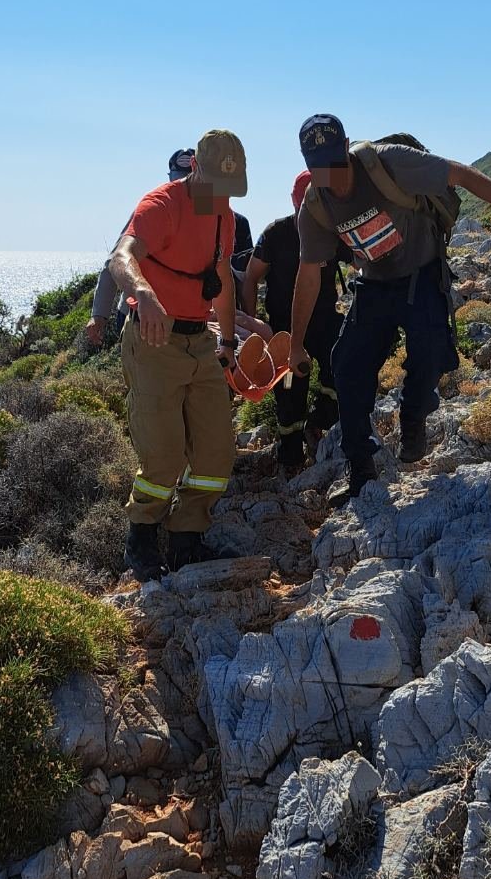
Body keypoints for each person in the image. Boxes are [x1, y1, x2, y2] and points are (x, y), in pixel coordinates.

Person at [289, 113, 491, 501]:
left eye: (335, 160)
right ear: (307, 166)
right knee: (347, 364)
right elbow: (309, 274)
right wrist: (296, 343)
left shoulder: (388, 162)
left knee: (430, 354)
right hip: (374, 285)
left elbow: (460, 175)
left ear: (347, 146)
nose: (330, 174)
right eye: (319, 167)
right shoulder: (316, 206)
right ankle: (361, 470)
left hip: (421, 272)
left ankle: (413, 417)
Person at [109, 130, 248, 579]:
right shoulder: (162, 205)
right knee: (163, 454)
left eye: (230, 190)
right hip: (154, 342)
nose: (221, 198)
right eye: (215, 187)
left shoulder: (224, 215)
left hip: (200, 342)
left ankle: (188, 540)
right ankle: (143, 539)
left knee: (215, 450)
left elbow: (222, 279)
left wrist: (228, 343)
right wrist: (143, 292)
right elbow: (121, 256)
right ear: (195, 172)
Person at [86, 148, 253, 347]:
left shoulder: (226, 219)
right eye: (177, 180)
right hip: (145, 315)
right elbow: (117, 259)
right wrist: (100, 314)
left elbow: (229, 276)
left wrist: (232, 328)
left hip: (194, 317)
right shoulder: (158, 209)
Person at [242, 170, 341, 470]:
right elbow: (250, 278)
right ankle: (290, 453)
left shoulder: (333, 229)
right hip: (283, 329)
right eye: (302, 209)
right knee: (288, 391)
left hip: (324, 321)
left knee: (346, 361)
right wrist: (253, 324)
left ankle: (322, 417)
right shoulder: (275, 234)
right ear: (294, 203)